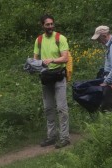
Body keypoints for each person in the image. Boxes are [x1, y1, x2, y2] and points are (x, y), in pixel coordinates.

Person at [33, 14, 70, 149]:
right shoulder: (39, 40)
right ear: (42, 25)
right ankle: (51, 136)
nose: (50, 26)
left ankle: (65, 137)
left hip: (59, 75)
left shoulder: (60, 38)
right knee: (48, 108)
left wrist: (52, 60)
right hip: (46, 77)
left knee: (61, 108)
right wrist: (33, 65)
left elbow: (65, 58)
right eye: (47, 24)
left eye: (51, 24)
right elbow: (36, 59)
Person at [91, 25, 112, 112]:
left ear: (104, 36)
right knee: (110, 106)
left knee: (107, 109)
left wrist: (106, 82)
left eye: (99, 39)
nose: (98, 41)